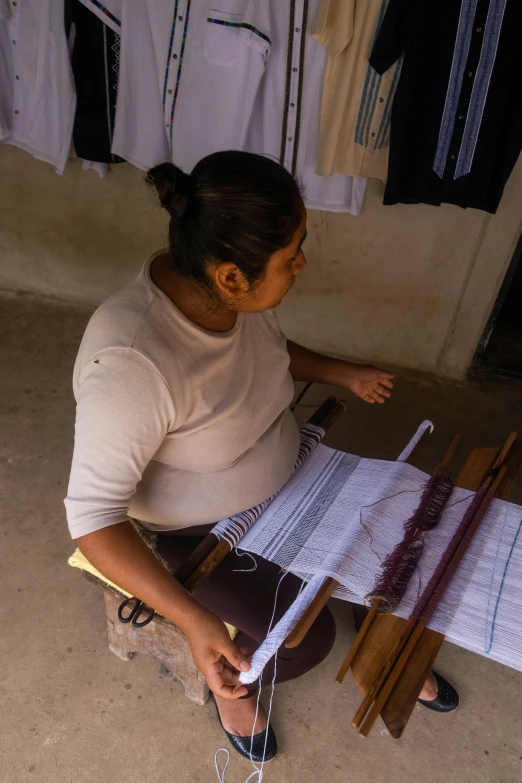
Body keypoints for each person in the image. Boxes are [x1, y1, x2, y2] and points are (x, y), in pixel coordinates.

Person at [65, 151, 456, 764]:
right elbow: (91, 518)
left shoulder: (229, 298)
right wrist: (194, 621)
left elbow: (267, 352)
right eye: (291, 253)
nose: (302, 262)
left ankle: (379, 651)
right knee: (301, 641)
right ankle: (233, 693)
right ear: (229, 276)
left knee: (398, 543)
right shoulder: (131, 366)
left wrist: (339, 372)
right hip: (197, 532)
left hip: (289, 478)